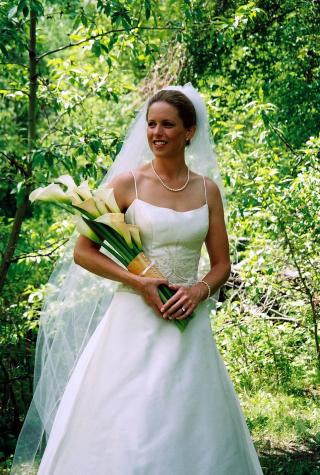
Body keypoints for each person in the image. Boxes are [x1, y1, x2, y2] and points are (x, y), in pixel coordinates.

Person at [11, 84, 263, 474]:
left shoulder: (207, 190)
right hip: (133, 316)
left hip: (187, 319)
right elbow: (84, 252)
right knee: (125, 418)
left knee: (191, 419)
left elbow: (221, 264)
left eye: (167, 125)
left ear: (189, 131)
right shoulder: (127, 183)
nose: (156, 133)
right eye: (151, 124)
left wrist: (198, 291)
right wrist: (139, 281)